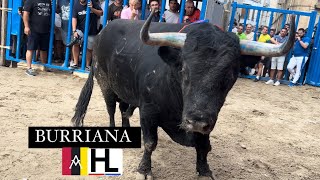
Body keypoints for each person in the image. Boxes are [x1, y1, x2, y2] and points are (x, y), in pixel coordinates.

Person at [69, 0, 103, 71]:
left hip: (91, 30)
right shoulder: (76, 4)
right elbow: (74, 18)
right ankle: (75, 63)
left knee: (89, 49)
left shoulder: (92, 2)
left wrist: (92, 9)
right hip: (80, 29)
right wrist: (74, 30)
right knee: (75, 42)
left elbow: (101, 13)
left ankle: (87, 65)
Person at [23, 0, 52, 76]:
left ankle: (44, 66)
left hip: (45, 30)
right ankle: (28, 68)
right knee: (30, 48)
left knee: (44, 49)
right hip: (33, 30)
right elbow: (25, 14)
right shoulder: (30, 1)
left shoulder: (48, 1)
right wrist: (26, 26)